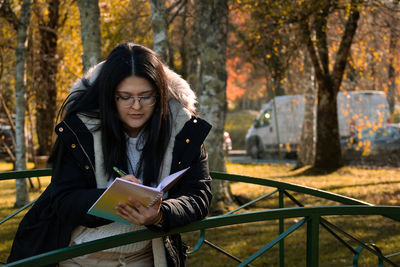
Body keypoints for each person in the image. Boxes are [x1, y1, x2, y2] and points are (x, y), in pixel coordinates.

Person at [7, 43, 212, 267]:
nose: (136, 106)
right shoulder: (81, 131)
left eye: (146, 97)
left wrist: (161, 214)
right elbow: (62, 200)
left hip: (145, 256)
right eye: (124, 97)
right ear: (108, 96)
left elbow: (198, 196)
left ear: (161, 95)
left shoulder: (183, 131)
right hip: (80, 257)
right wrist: (111, 198)